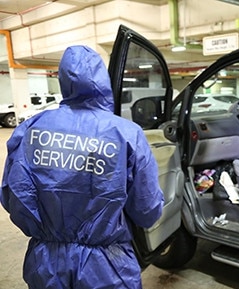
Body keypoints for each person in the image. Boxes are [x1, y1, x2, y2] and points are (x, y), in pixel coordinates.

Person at [1, 45, 164, 289]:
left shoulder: (31, 129)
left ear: (62, 79)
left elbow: (13, 195)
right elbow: (147, 210)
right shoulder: (127, 133)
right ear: (102, 81)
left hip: (45, 262)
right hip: (107, 267)